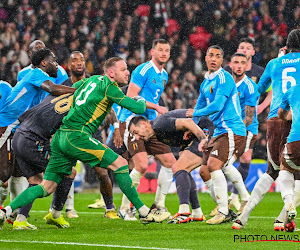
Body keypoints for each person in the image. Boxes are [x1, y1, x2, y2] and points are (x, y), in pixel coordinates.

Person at [0, 57, 171, 229]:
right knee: (120, 164)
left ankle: (5, 210)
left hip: (61, 136)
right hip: (77, 136)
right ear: (111, 73)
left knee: (46, 186)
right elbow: (139, 108)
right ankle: (144, 212)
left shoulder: (93, 80)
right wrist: (139, 99)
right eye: (124, 69)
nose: (128, 72)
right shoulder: (110, 88)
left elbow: (73, 90)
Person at [232, 29, 300, 230]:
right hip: (297, 116)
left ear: (286, 46)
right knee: (296, 172)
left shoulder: (274, 63)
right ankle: (282, 218)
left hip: (276, 118)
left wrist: (279, 62)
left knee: (273, 170)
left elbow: (260, 89)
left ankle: (244, 216)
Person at [186, 45, 246, 225]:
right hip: (219, 132)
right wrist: (192, 128)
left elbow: (218, 105)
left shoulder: (225, 78)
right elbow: (198, 109)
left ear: (222, 60)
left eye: (218, 56)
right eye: (210, 55)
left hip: (231, 129)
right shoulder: (205, 83)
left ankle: (223, 210)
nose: (213, 58)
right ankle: (238, 201)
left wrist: (193, 114)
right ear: (205, 58)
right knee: (204, 170)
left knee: (214, 165)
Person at [117, 39, 176, 220]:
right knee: (141, 165)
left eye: (167, 50)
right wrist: (156, 107)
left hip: (150, 125)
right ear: (152, 52)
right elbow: (132, 96)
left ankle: (159, 205)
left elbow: (153, 97)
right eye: (160, 50)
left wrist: (157, 114)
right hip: (134, 121)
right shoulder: (143, 70)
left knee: (170, 162)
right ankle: (124, 208)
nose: (164, 53)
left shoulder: (164, 74)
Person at [128, 111, 214, 224]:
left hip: (204, 129)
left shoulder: (159, 125)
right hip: (195, 133)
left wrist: (203, 138)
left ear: (144, 124)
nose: (137, 137)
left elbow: (188, 121)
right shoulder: (156, 134)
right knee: (184, 170)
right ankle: (197, 213)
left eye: (136, 132)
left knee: (179, 167)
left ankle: (184, 211)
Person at [226, 53, 260, 212]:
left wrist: (233, 130)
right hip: (229, 128)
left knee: (229, 162)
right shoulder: (226, 83)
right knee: (222, 164)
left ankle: (241, 198)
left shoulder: (250, 86)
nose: (239, 65)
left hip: (246, 130)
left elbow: (249, 117)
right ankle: (232, 199)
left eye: (242, 63)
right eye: (236, 62)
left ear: (247, 66)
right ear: (230, 65)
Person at [277, 84, 300, 231]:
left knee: (285, 167)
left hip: (295, 141)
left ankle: (289, 203)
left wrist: (289, 116)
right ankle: (286, 217)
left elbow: (281, 114)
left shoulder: (292, 90)